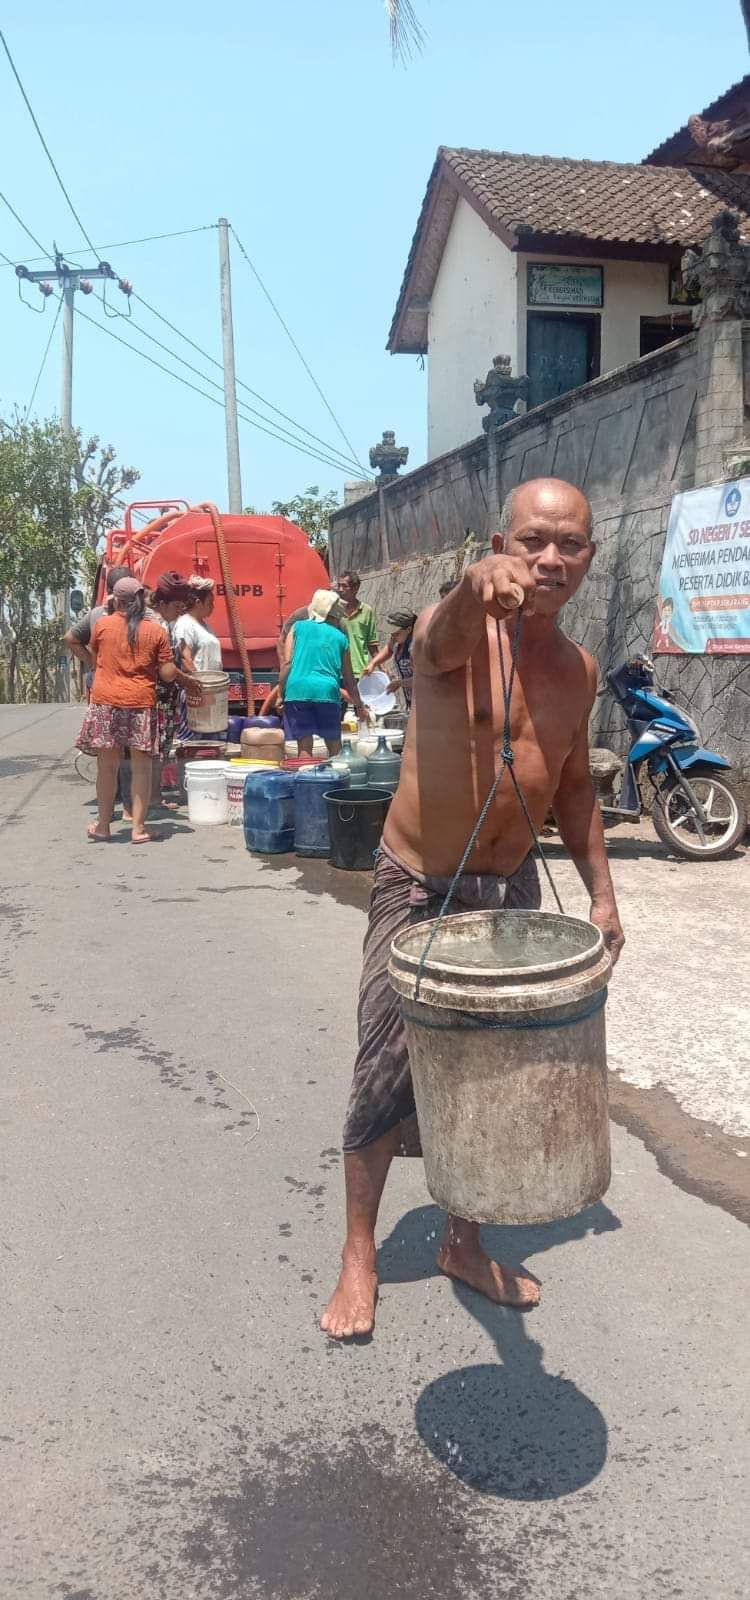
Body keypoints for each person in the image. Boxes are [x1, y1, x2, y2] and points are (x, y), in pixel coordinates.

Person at [321, 477, 625, 1340]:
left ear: (590, 557)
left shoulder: (578, 669)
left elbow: (571, 788)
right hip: (420, 882)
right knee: (384, 1073)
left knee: (488, 1080)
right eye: (533, 540)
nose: (550, 558)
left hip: (512, 890)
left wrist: (603, 893)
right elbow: (438, 635)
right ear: (504, 541)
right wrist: (471, 583)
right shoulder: (454, 633)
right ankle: (359, 1254)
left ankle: (463, 1237)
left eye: (570, 544)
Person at [77, 576, 198, 844]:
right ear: (142, 600)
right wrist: (187, 680)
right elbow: (167, 674)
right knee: (142, 769)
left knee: (107, 768)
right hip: (141, 703)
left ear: (116, 600)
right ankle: (139, 828)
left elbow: (97, 661)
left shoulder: (102, 626)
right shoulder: (156, 631)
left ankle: (104, 826)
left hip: (106, 703)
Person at [283, 588, 367, 756]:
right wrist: (359, 706)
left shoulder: (297, 627)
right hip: (327, 693)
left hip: (297, 691)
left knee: (305, 745)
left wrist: (280, 693)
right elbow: (349, 679)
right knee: (334, 745)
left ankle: (306, 778)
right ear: (334, 615)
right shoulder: (340, 637)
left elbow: (287, 664)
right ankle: (335, 780)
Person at [148, 571, 201, 805]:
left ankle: (154, 795)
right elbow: (166, 670)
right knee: (156, 747)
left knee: (161, 745)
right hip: (156, 696)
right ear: (162, 603)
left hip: (165, 698)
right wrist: (187, 680)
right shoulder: (156, 626)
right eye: (177, 605)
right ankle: (152, 796)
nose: (181, 610)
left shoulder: (166, 624)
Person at [63, 566, 132, 692]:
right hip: (131, 686)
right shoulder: (143, 616)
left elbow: (69, 638)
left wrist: (94, 665)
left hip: (103, 685)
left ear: (108, 589)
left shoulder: (96, 614)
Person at [362, 609, 417, 711]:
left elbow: (423, 680)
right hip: (411, 701)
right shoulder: (397, 641)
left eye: (396, 633)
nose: (392, 636)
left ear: (409, 629)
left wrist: (399, 683)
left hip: (426, 700)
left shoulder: (415, 647)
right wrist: (373, 663)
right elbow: (389, 649)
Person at [335, 570, 379, 679]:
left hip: (360, 672)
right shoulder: (333, 610)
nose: (340, 590)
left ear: (355, 589)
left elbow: (371, 644)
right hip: (337, 672)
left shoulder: (366, 611)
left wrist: (381, 666)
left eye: (344, 586)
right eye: (338, 585)